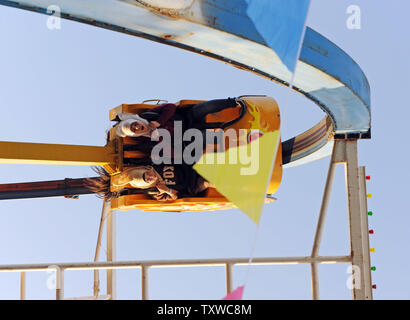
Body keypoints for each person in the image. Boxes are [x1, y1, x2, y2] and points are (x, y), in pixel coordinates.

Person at [115, 98, 243, 138]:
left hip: (187, 116)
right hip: (188, 133)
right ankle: (239, 135)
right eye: (134, 129)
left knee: (205, 108)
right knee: (207, 136)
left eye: (134, 124)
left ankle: (234, 103)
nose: (137, 127)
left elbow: (170, 107)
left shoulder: (148, 115)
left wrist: (160, 122)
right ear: (136, 134)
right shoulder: (149, 138)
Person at [86, 163, 212, 202]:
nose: (151, 177)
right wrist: (167, 190)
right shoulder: (155, 191)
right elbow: (176, 197)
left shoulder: (154, 164)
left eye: (148, 175)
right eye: (148, 179)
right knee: (207, 181)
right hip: (193, 183)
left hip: (190, 168)